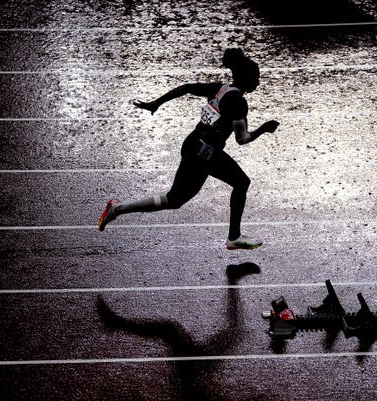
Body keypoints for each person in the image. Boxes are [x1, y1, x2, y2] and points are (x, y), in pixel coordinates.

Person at [98, 48, 279, 250]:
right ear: (246, 79)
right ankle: (234, 237)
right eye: (257, 77)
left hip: (192, 143)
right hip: (206, 154)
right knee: (241, 182)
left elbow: (186, 88)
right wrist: (264, 129)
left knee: (174, 200)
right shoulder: (239, 103)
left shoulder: (219, 89)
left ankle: (117, 209)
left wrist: (156, 103)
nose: (259, 82)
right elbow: (242, 139)